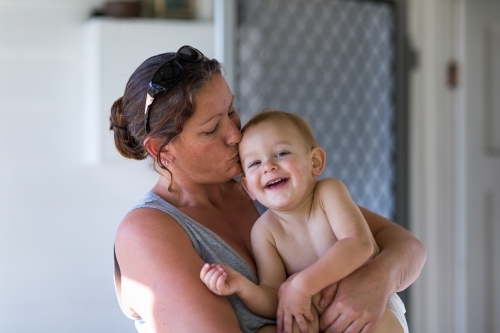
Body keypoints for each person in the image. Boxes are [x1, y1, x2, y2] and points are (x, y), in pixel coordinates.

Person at [109, 45, 426, 333]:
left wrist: (376, 279)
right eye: (211, 129)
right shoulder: (146, 232)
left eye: (231, 111)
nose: (235, 134)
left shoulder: (269, 187)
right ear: (162, 152)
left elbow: (407, 247)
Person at [200, 110, 407, 333]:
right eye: (255, 163)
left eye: (281, 153)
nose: (268, 166)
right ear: (248, 188)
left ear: (315, 162)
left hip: (373, 309)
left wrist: (302, 285)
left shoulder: (328, 193)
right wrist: (242, 287)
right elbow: (276, 297)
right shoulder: (265, 231)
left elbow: (359, 244)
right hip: (325, 321)